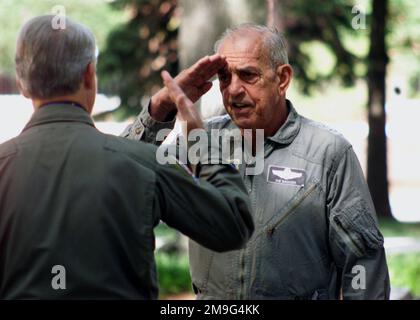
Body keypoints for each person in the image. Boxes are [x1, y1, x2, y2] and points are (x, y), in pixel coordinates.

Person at [123, 23, 390, 299]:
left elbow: (364, 263)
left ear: (283, 78)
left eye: (248, 75)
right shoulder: (201, 141)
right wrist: (162, 105)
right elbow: (118, 176)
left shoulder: (328, 153)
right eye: (225, 78)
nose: (234, 90)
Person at [0, 15, 254, 299]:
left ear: (22, 84)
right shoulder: (141, 163)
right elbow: (232, 224)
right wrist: (200, 141)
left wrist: (157, 111)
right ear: (88, 75)